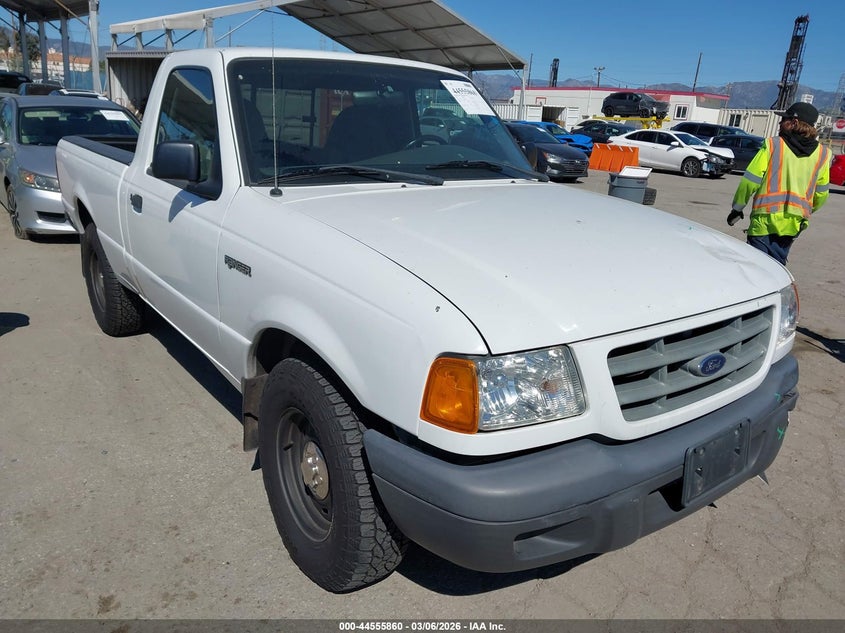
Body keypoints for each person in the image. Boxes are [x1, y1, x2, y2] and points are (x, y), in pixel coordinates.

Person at [726, 102, 831, 265]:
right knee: (775, 269)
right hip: (793, 225)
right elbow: (822, 194)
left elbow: (750, 181)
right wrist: (803, 210)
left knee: (756, 269)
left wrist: (737, 208)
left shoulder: (773, 144)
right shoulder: (823, 154)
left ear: (794, 123)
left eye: (785, 120)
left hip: (764, 222)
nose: (780, 123)